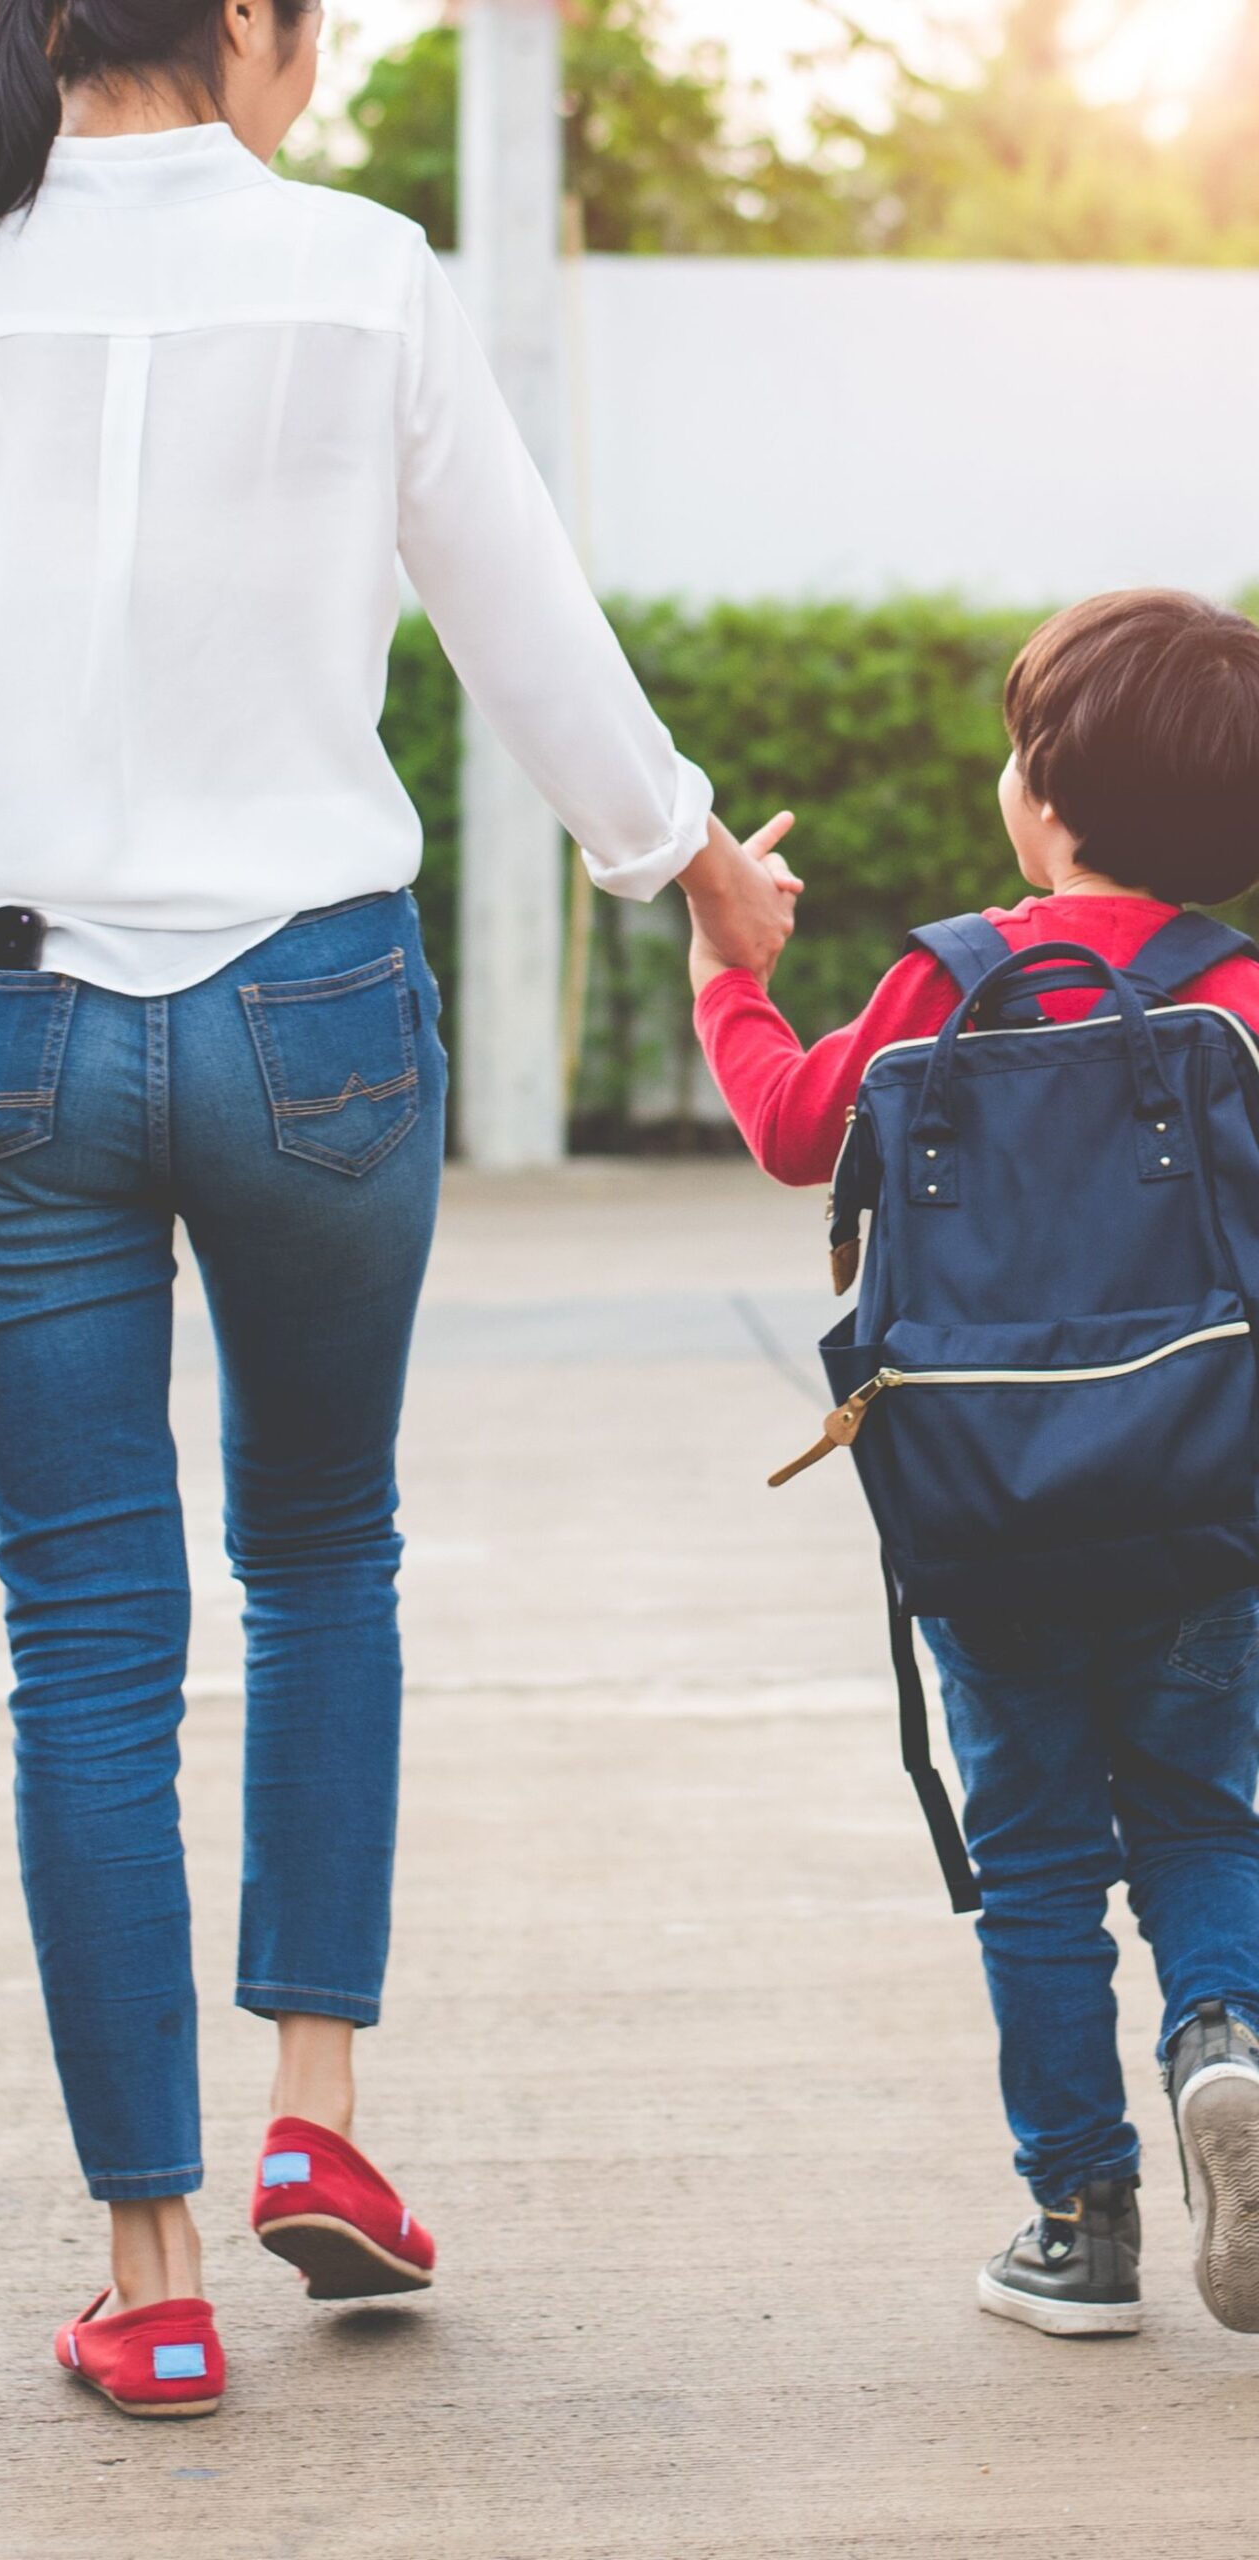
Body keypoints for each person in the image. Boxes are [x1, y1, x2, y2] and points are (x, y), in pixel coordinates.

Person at [0, 0, 796, 2418]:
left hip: (4, 1023)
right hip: (316, 1016)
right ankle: (316, 2121)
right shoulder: (366, 273)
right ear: (245, 25)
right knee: (324, 1548)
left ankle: (147, 2271)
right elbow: (524, 621)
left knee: (83, 1633)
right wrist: (691, 866)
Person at [693, 589, 1259, 2339]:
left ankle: (1078, 2229)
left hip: (985, 1510)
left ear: (1046, 802)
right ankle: (1224, 2047)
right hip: (1203, 1497)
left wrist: (733, 978)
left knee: (1031, 1860)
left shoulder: (948, 977)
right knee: (1203, 1815)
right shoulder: (1237, 999)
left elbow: (800, 1130)